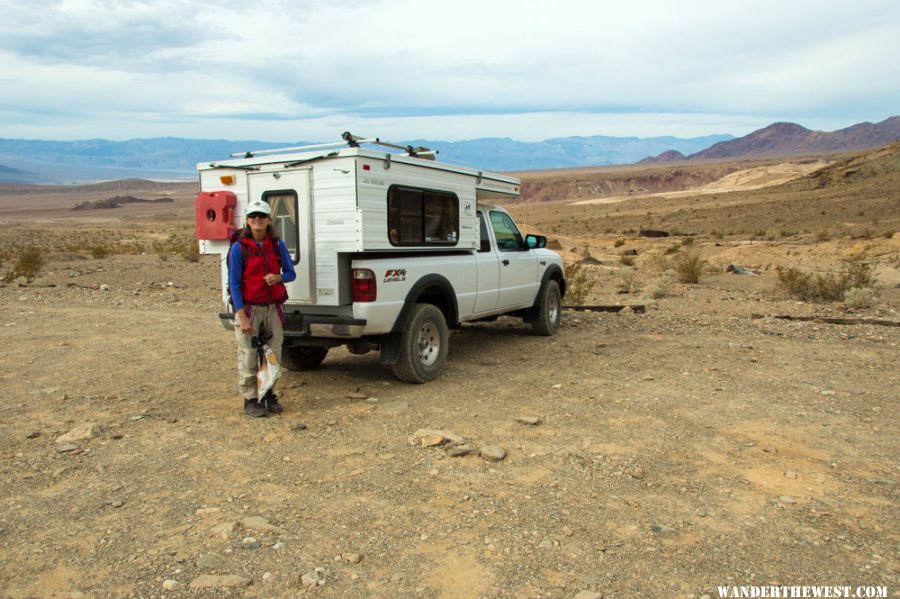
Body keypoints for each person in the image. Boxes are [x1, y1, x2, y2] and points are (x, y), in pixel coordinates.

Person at [228, 200, 296, 417]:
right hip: (249, 309)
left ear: (268, 219)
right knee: (248, 354)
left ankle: (268, 394)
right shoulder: (239, 248)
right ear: (247, 220)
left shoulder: (278, 246)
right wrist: (241, 316)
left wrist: (278, 278)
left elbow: (290, 273)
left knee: (272, 354)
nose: (257, 219)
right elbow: (235, 284)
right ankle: (250, 400)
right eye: (252, 216)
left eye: (261, 216)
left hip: (272, 308)